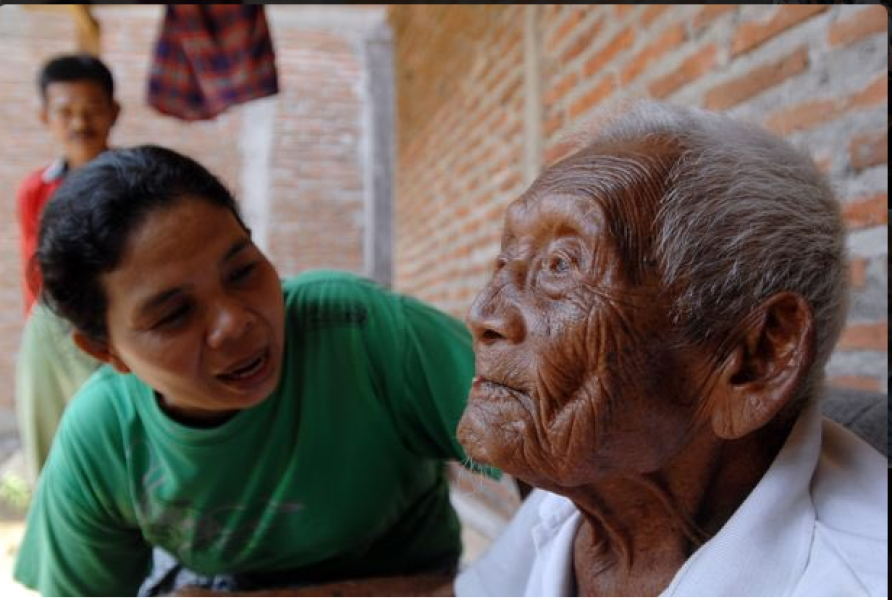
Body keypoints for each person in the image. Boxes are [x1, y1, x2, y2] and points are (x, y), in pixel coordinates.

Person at [14, 145, 494, 596]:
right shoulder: (104, 438)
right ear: (106, 351)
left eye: (242, 271)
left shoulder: (359, 330)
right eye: (174, 315)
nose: (235, 322)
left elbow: (554, 446)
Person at [454, 101, 887, 596]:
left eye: (561, 265)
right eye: (504, 261)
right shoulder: (591, 484)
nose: (483, 314)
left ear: (755, 358)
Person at [14, 53, 119, 484]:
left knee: (108, 447)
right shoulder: (36, 190)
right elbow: (34, 275)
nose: (80, 122)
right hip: (56, 333)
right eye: (65, 111)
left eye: (92, 109)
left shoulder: (135, 182)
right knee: (55, 453)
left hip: (117, 335)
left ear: (114, 112)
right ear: (45, 116)